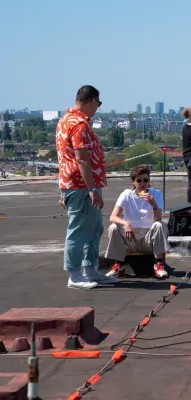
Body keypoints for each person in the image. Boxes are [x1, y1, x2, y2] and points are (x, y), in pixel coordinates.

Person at [56, 85, 116, 289]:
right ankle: (74, 274)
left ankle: (90, 269)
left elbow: (63, 158)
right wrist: (91, 189)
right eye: (97, 104)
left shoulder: (65, 120)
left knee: (94, 228)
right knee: (79, 230)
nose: (97, 108)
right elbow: (81, 159)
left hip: (77, 184)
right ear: (91, 101)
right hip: (82, 186)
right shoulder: (78, 124)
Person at [104, 166, 169, 279]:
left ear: (149, 181)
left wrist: (153, 204)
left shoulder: (156, 194)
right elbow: (113, 217)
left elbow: (158, 218)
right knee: (113, 227)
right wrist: (126, 224)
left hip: (148, 240)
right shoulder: (126, 194)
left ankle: (158, 263)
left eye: (145, 180)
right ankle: (119, 264)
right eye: (139, 180)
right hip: (131, 238)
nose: (142, 183)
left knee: (160, 225)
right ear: (133, 182)